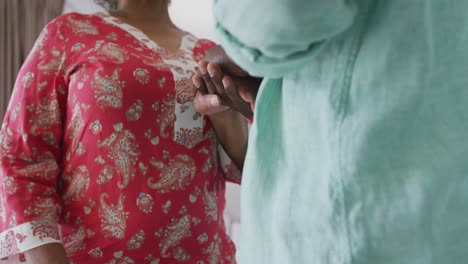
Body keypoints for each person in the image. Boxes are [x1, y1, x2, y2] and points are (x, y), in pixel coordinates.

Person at [193, 0, 468, 263]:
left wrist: (242, 50)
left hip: (354, 223)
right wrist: (276, 95)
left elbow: (272, 15)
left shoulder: (197, 50)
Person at [0, 0, 248, 263]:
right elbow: (23, 158)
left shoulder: (210, 55)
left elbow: (250, 167)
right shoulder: (68, 33)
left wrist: (227, 115)